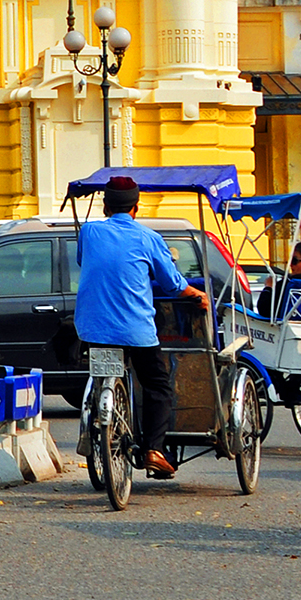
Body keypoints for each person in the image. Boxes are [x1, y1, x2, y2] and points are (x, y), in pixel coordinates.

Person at [74, 178, 204, 479]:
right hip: (136, 331)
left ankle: (97, 420)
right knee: (157, 384)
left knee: (104, 375)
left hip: (93, 329)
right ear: (136, 207)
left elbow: (85, 262)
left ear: (105, 206)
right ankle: (153, 449)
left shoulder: (90, 232)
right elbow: (172, 284)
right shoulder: (148, 238)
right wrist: (197, 295)